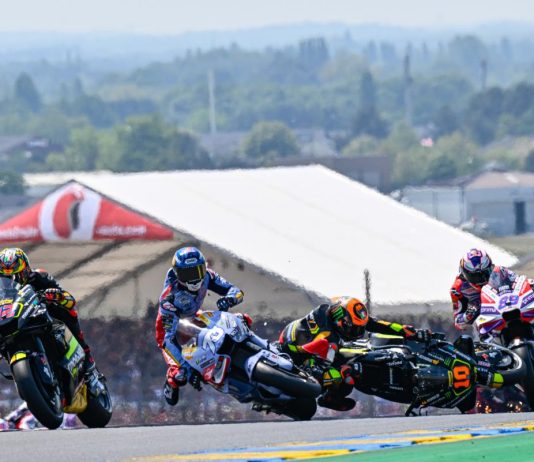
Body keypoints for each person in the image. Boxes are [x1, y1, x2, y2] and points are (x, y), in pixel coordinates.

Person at [278, 296, 430, 411]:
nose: (357, 332)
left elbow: (377, 324)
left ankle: (329, 398)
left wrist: (405, 331)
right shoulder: (328, 334)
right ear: (341, 320)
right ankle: (330, 395)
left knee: (349, 372)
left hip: (310, 353)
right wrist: (328, 371)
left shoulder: (336, 316)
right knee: (341, 372)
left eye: (360, 328)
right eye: (355, 328)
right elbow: (322, 356)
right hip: (298, 353)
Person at [155, 246, 244, 406]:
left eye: (198, 271)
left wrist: (229, 299)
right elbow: (168, 339)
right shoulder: (169, 298)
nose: (195, 278)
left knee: (241, 319)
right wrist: (188, 370)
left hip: (194, 317)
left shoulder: (208, 276)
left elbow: (236, 291)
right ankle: (171, 380)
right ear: (177, 274)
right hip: (170, 331)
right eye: (188, 274)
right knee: (181, 374)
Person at [0, 248, 98, 383]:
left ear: (26, 270)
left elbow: (70, 300)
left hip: (39, 318)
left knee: (64, 310)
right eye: (6, 277)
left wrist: (56, 296)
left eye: (15, 276)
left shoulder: (39, 277)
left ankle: (86, 354)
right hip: (12, 324)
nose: (11, 281)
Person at [450, 248, 532, 329]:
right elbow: (457, 322)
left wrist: (530, 283)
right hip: (484, 322)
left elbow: (518, 282)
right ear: (465, 274)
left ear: (491, 267)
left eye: (485, 273)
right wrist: (467, 315)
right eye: (475, 276)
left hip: (508, 307)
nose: (482, 280)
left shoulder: (500, 271)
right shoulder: (457, 289)